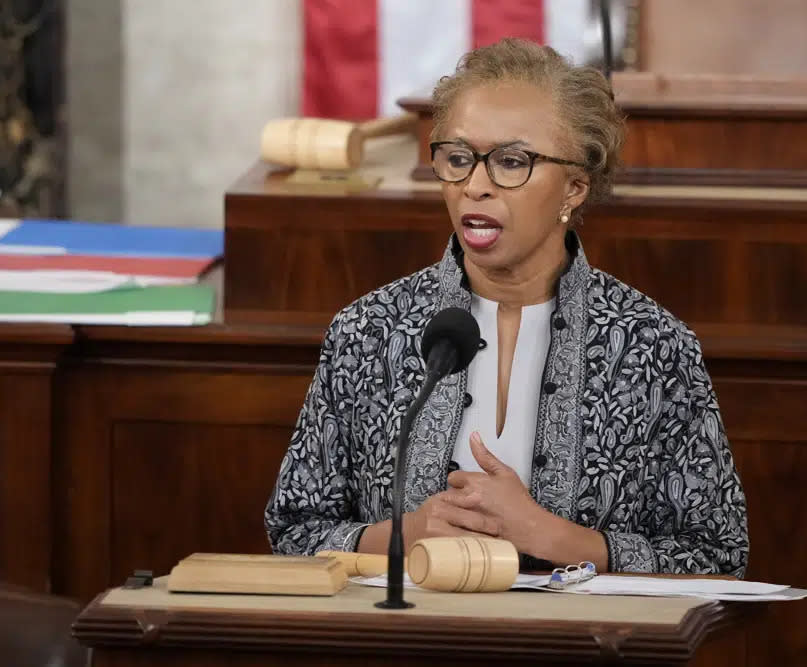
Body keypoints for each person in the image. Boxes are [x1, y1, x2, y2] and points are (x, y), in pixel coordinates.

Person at [265, 38, 749, 577]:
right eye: (457, 158)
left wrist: (555, 536)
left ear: (574, 187)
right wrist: (401, 535)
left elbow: (717, 555)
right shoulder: (369, 331)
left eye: (512, 162)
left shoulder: (651, 345)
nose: (475, 186)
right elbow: (294, 532)